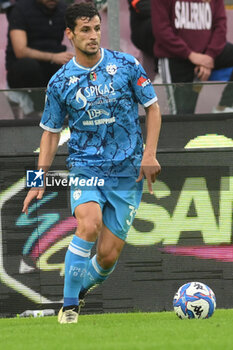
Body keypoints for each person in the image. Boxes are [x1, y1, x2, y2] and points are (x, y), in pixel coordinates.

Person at [22, 2, 161, 324]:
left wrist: (149, 154)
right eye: (85, 30)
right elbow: (50, 134)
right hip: (87, 168)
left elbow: (152, 108)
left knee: (108, 256)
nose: (93, 36)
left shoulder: (126, 65)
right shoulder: (60, 83)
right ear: (69, 34)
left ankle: (77, 294)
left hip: (127, 172)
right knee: (88, 224)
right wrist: (36, 180)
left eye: (97, 28)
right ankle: (69, 309)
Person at [151, 0, 233, 114]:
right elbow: (161, 31)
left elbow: (220, 27)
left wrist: (208, 57)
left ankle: (225, 107)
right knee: (183, 116)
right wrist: (191, 55)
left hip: (207, 54)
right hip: (176, 58)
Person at [6, 0, 74, 112]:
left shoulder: (64, 9)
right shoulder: (20, 9)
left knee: (73, 67)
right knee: (29, 66)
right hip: (22, 70)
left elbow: (77, 35)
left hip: (52, 65)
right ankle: (40, 111)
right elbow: (20, 51)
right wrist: (53, 57)